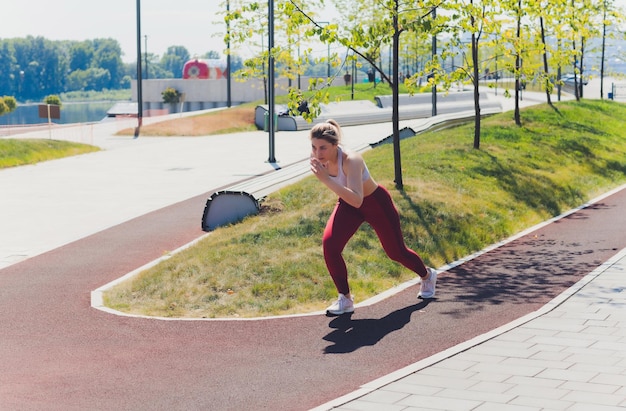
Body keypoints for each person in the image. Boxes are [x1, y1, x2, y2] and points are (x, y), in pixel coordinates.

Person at [309, 119, 438, 315]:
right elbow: (349, 200)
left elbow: (358, 199)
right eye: (314, 147)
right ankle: (345, 298)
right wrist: (326, 177)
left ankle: (427, 275)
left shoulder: (352, 160)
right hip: (348, 205)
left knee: (396, 252)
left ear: (336, 145)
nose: (318, 154)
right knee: (330, 245)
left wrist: (326, 180)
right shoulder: (319, 159)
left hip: (375, 203)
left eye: (323, 148)